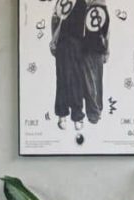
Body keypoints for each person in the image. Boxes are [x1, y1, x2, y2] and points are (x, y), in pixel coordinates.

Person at [50, 0, 110, 132]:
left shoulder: (85, 3)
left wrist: (104, 47)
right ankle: (64, 115)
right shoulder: (66, 2)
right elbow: (55, 19)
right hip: (65, 43)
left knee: (75, 80)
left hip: (78, 44)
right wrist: (53, 40)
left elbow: (96, 20)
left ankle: (76, 116)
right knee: (64, 79)